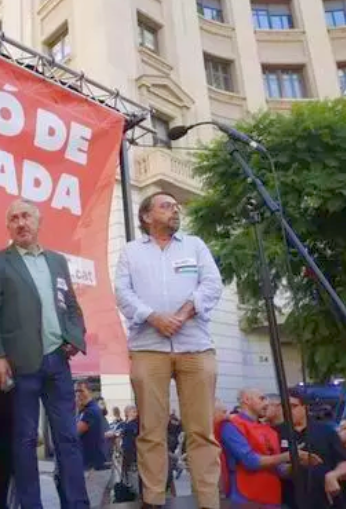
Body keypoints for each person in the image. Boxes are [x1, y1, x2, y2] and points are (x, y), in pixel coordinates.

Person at [114, 191, 224, 509]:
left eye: (176, 206)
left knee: (201, 430)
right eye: (166, 206)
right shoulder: (131, 252)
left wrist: (186, 311)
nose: (174, 210)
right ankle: (153, 500)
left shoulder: (196, 246)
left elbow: (212, 284)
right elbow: (122, 292)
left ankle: (208, 501)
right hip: (149, 349)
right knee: (151, 430)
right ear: (147, 216)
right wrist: (153, 317)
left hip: (196, 347)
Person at [0, 198, 88, 508]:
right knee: (25, 441)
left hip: (58, 361)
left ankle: (76, 503)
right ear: (8, 226)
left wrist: (74, 337)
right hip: (19, 363)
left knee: (67, 437)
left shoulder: (56, 261)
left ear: (38, 222)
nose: (21, 223)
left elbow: (71, 306)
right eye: (14, 218)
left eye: (27, 216)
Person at [220, 388, 316, 508]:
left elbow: (278, 469)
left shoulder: (270, 431)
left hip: (272, 499)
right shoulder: (232, 426)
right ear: (247, 400)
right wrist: (288, 455)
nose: (266, 403)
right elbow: (250, 461)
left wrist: (297, 463)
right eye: (261, 398)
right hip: (247, 499)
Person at [277, 388, 346, 508]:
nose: (288, 411)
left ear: (305, 407)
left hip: (324, 498)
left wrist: (333, 475)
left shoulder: (326, 431)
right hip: (290, 499)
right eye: (284, 407)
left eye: (293, 406)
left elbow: (343, 461)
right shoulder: (277, 432)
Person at [76, 381, 112, 507]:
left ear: (90, 392)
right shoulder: (87, 410)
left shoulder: (90, 411)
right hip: (99, 465)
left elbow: (74, 433)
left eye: (81, 391)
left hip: (95, 467)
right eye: (76, 391)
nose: (78, 394)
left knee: (92, 504)